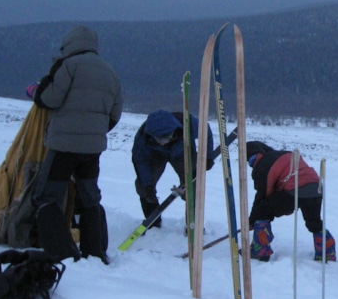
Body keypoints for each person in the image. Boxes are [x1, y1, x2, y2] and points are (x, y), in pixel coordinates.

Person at [31, 25, 123, 263]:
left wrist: (40, 87)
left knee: (47, 197)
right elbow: (115, 112)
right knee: (89, 196)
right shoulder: (110, 72)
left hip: (63, 145)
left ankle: (61, 252)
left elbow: (48, 99)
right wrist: (94, 132)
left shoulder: (68, 66)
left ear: (69, 44)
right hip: (92, 149)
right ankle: (96, 250)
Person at [245, 141, 336, 262]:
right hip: (316, 187)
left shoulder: (262, 165)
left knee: (263, 210)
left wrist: (252, 221)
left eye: (249, 160)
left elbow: (262, 195)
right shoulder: (283, 154)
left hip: (295, 189)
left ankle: (260, 250)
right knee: (313, 221)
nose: (250, 163)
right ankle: (326, 253)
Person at [131, 110, 214, 227]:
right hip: (155, 155)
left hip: (183, 153)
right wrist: (147, 186)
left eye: (165, 138)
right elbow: (141, 163)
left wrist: (208, 157)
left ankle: (193, 224)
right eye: (158, 139)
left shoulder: (188, 123)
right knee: (142, 187)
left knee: (193, 187)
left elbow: (206, 132)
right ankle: (153, 222)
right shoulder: (143, 138)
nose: (162, 143)